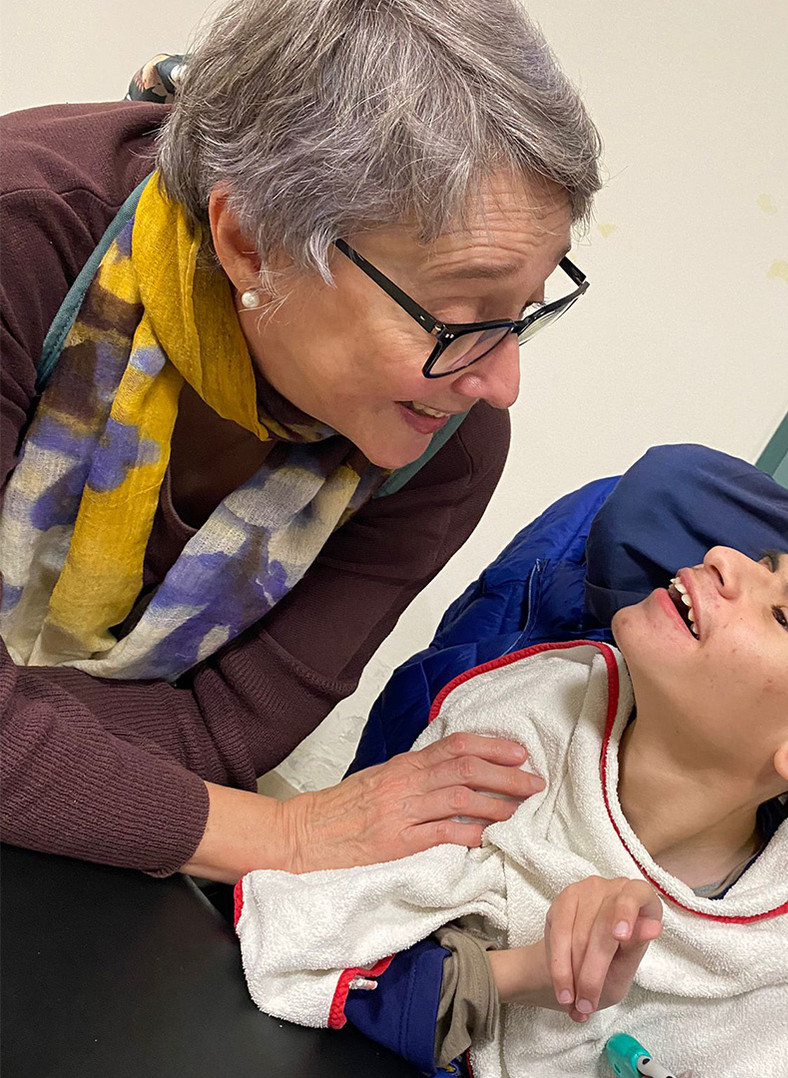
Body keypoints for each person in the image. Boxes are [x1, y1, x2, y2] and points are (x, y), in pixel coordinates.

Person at [0, 0, 601, 881]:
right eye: (460, 310)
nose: (500, 381)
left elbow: (220, 734)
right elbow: (213, 773)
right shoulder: (26, 232)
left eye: (526, 308)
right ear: (250, 240)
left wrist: (24, 735)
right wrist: (284, 837)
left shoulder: (444, 450)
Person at [236, 541, 788, 1077]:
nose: (724, 558)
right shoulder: (524, 724)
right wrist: (520, 975)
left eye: (782, 614)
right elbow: (315, 933)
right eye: (758, 560)